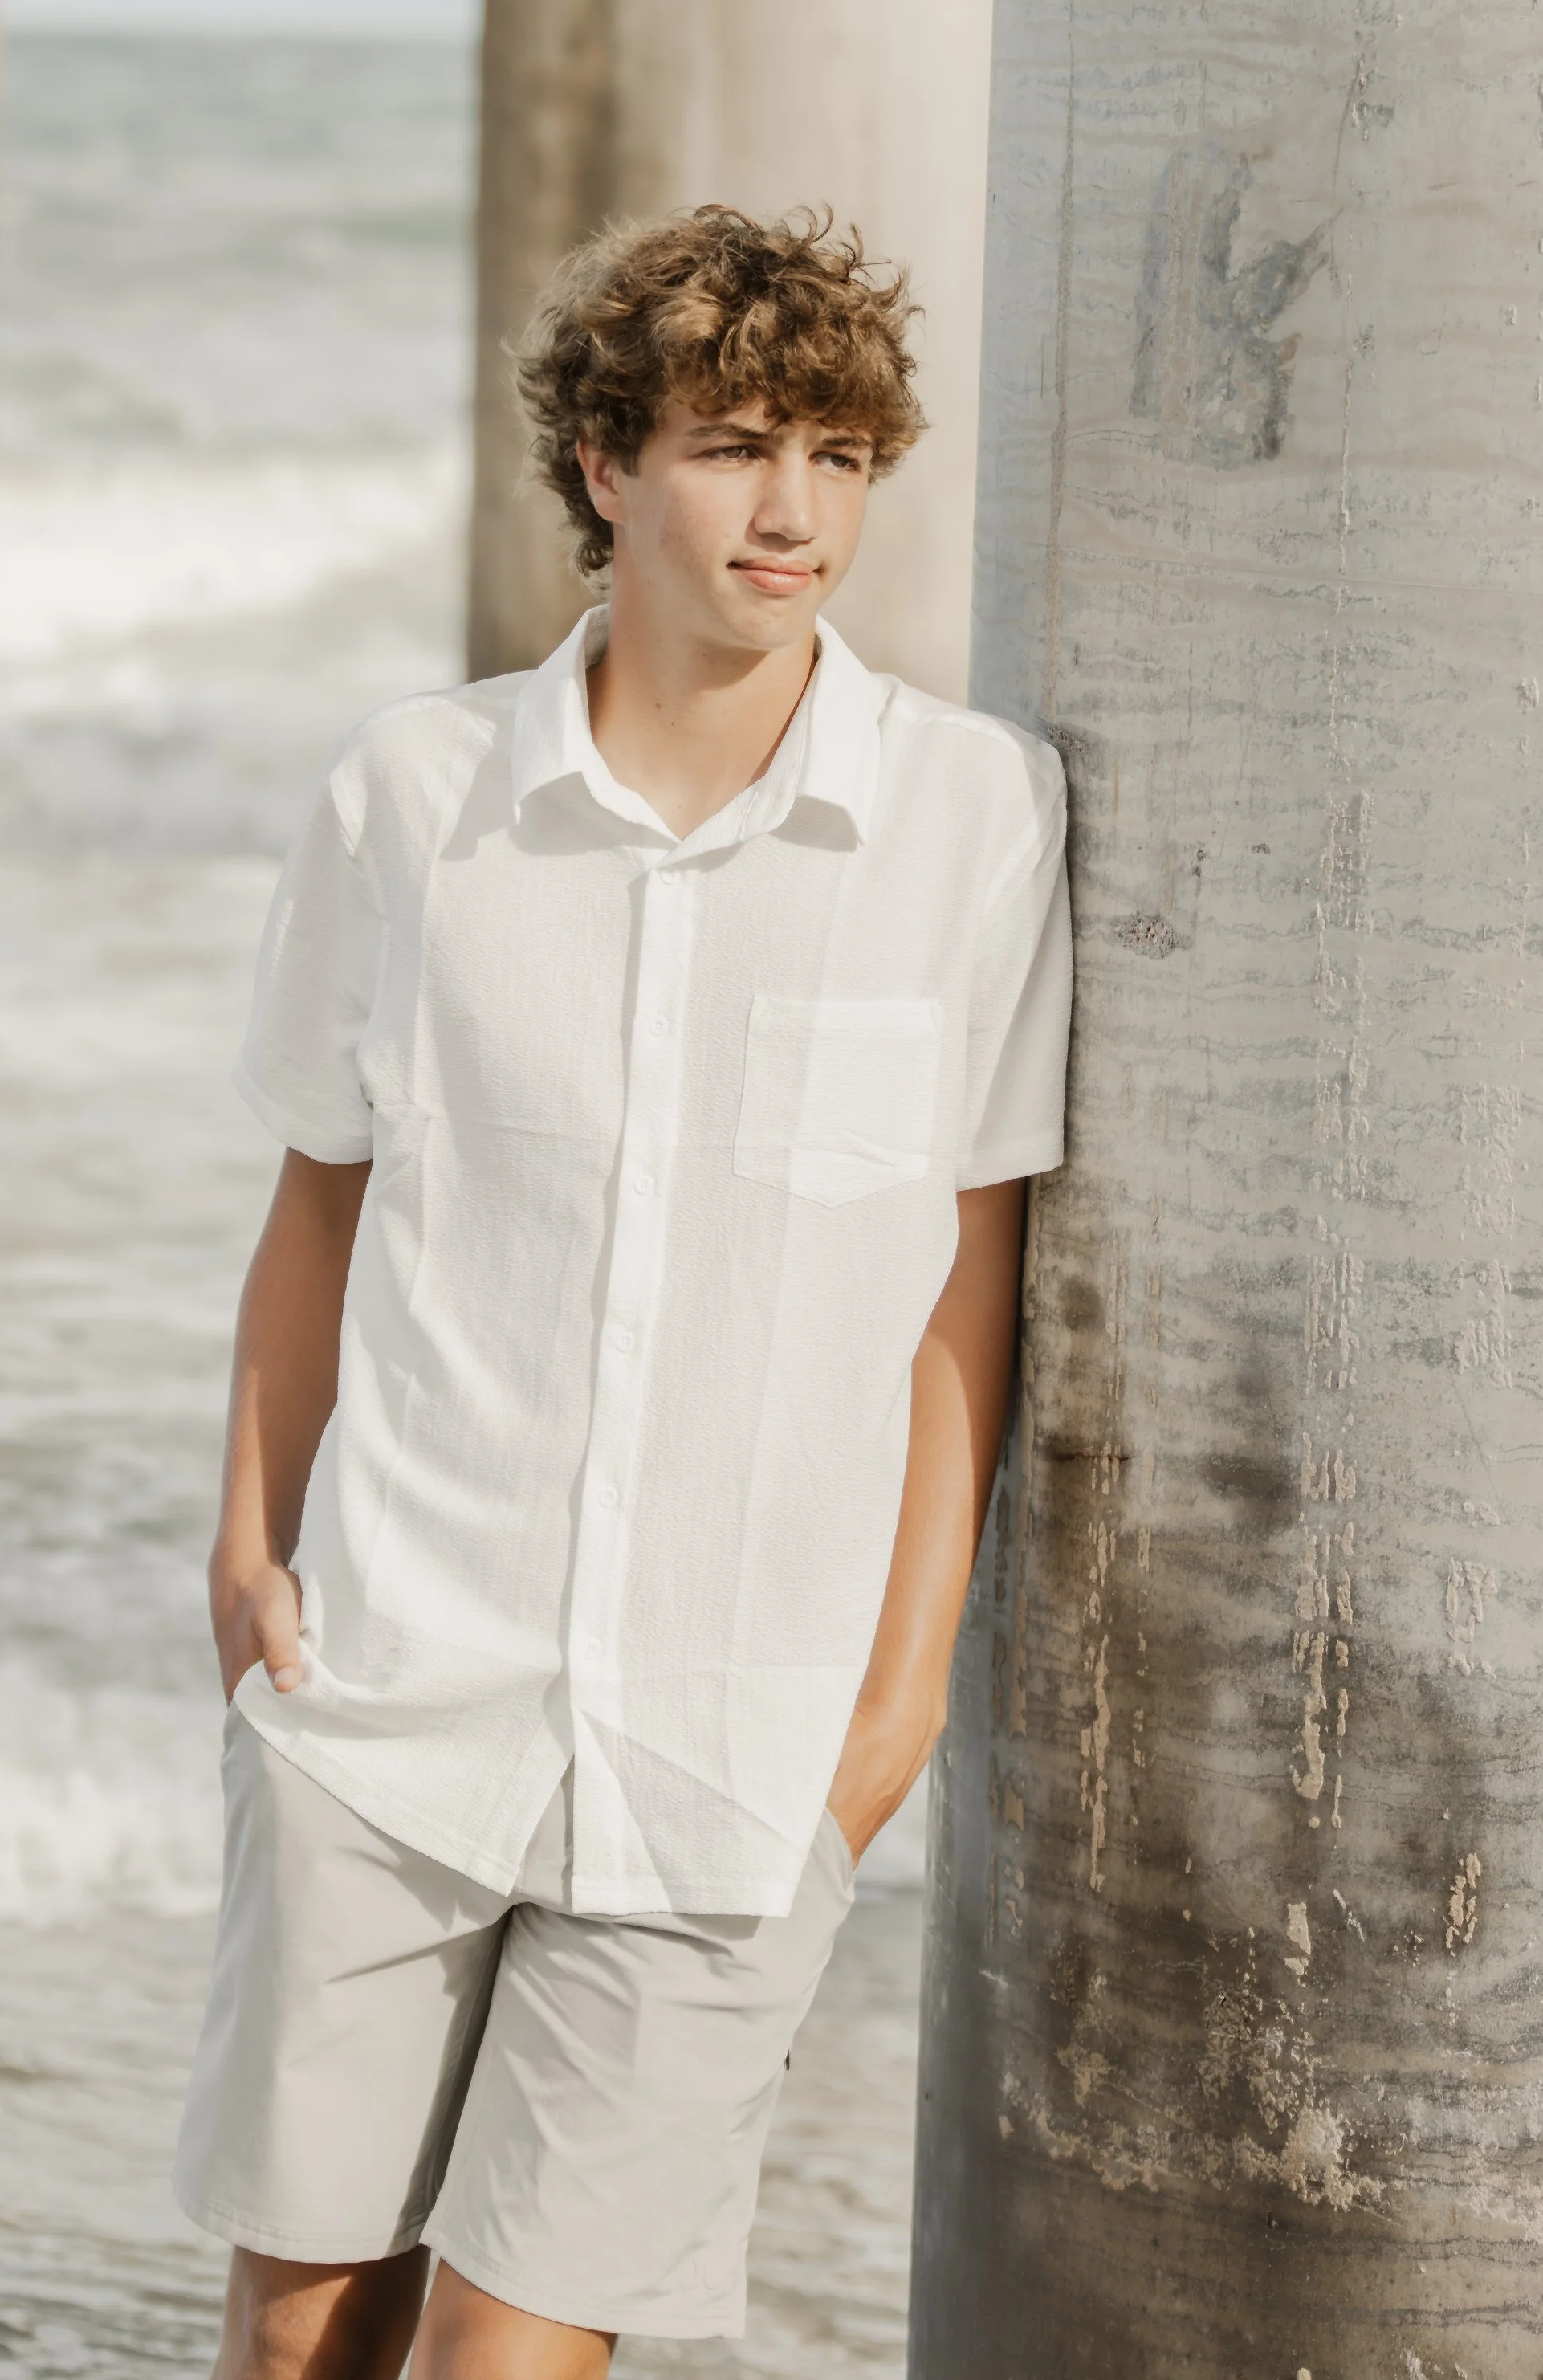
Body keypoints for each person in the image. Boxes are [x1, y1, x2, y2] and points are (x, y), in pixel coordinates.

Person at [174, 206, 1072, 2378]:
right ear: (602, 465)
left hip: (736, 1750)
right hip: (394, 1685)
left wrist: (890, 1706)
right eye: (736, 443)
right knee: (307, 2331)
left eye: (843, 456)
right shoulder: (413, 796)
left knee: (514, 2350)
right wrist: (244, 1550)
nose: (794, 510)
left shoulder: (970, 815)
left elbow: (966, 1289)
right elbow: (319, 1193)